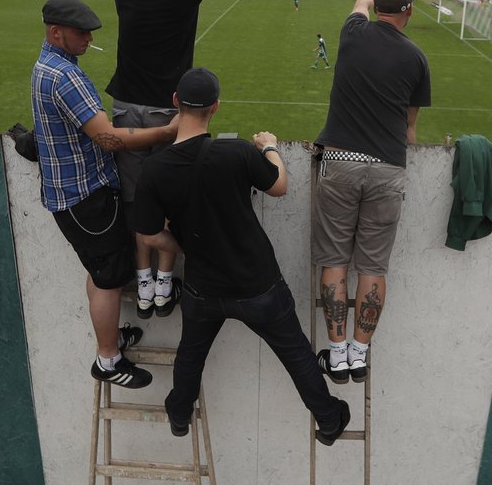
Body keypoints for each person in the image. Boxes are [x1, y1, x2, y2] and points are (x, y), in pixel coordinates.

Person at [133, 67, 350, 446]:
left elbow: (150, 234)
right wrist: (269, 147)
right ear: (215, 107)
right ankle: (328, 418)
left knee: (191, 354)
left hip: (204, 286)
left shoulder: (155, 169)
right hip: (257, 283)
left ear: (175, 104)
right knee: (296, 352)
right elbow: (279, 185)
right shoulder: (234, 152)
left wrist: (183, 247)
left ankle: (180, 413)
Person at [106, 0, 298, 317]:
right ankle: (163, 284)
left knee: (139, 203)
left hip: (124, 113)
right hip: (170, 116)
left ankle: (143, 287)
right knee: (173, 200)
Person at [31, 0, 179, 390]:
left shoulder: (51, 66)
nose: (88, 39)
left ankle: (110, 338)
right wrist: (167, 132)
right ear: (55, 32)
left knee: (100, 271)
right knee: (109, 278)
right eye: (81, 33)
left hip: (71, 194)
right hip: (86, 197)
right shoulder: (66, 76)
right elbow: (110, 139)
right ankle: (108, 359)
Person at [311, 0, 431, 384]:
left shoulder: (353, 33)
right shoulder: (416, 57)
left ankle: (337, 352)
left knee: (334, 261)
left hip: (341, 162)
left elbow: (359, 3)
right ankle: (360, 355)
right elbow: (411, 128)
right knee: (373, 267)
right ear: (408, 11)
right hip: (387, 168)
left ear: (377, 6)